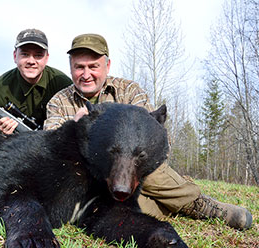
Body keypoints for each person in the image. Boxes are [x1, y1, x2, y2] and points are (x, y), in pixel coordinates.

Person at [43, 33, 253, 230]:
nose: (86, 74)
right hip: (87, 180)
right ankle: (177, 206)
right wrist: (73, 125)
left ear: (107, 65)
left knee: (150, 172)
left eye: (93, 66)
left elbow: (153, 139)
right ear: (71, 68)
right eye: (79, 67)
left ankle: (207, 207)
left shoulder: (129, 91)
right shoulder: (59, 102)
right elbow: (51, 150)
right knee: (131, 210)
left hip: (135, 172)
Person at [0, 29, 72, 135]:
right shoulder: (0, 89)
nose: (31, 61)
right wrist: (2, 133)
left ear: (46, 58)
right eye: (25, 54)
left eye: (38, 55)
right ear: (15, 56)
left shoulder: (62, 83)